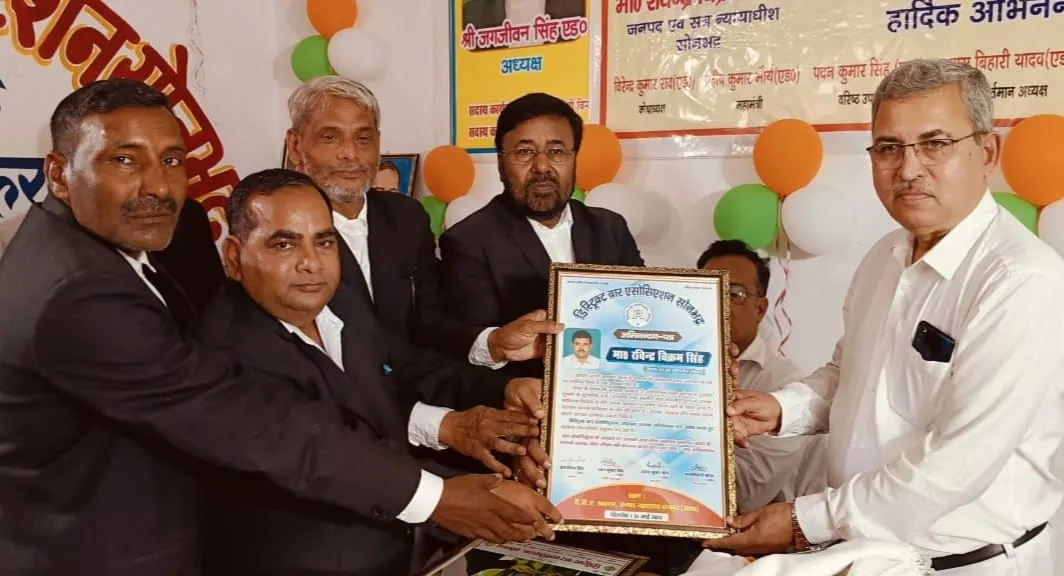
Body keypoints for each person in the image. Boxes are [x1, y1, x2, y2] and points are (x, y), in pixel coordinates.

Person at [0, 78, 552, 576]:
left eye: (171, 160)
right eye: (124, 160)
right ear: (59, 173)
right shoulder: (80, 291)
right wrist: (437, 495)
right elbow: (256, 422)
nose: (158, 186)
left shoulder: (113, 247)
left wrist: (481, 407)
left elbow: (392, 370)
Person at [708, 59, 1064, 574]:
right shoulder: (885, 256)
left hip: (968, 563)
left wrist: (806, 520)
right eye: (889, 147)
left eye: (935, 144)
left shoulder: (1020, 280)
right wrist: (780, 408)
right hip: (868, 552)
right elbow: (849, 373)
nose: (909, 168)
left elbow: (958, 463)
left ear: (986, 152)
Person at [199, 168, 560, 575]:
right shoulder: (225, 351)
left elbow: (404, 369)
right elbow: (331, 454)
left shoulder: (340, 305)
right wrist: (459, 494)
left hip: (392, 552)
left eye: (324, 241)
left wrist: (502, 393)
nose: (311, 263)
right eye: (284, 244)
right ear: (235, 257)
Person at [285, 76, 557, 373]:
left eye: (363, 138)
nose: (350, 153)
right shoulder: (278, 234)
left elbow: (432, 323)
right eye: (330, 137)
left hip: (418, 386)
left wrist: (494, 344)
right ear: (296, 146)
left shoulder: (405, 217)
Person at [439, 92, 644, 380]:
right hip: (528, 399)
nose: (542, 167)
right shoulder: (468, 241)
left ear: (574, 158)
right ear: (501, 163)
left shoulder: (611, 228)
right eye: (524, 152)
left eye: (557, 151)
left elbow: (641, 311)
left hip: (615, 388)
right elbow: (470, 351)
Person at [697, 240, 825, 512]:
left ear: (760, 309)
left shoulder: (784, 387)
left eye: (735, 294)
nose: (717, 302)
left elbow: (747, 492)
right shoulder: (659, 367)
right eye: (707, 290)